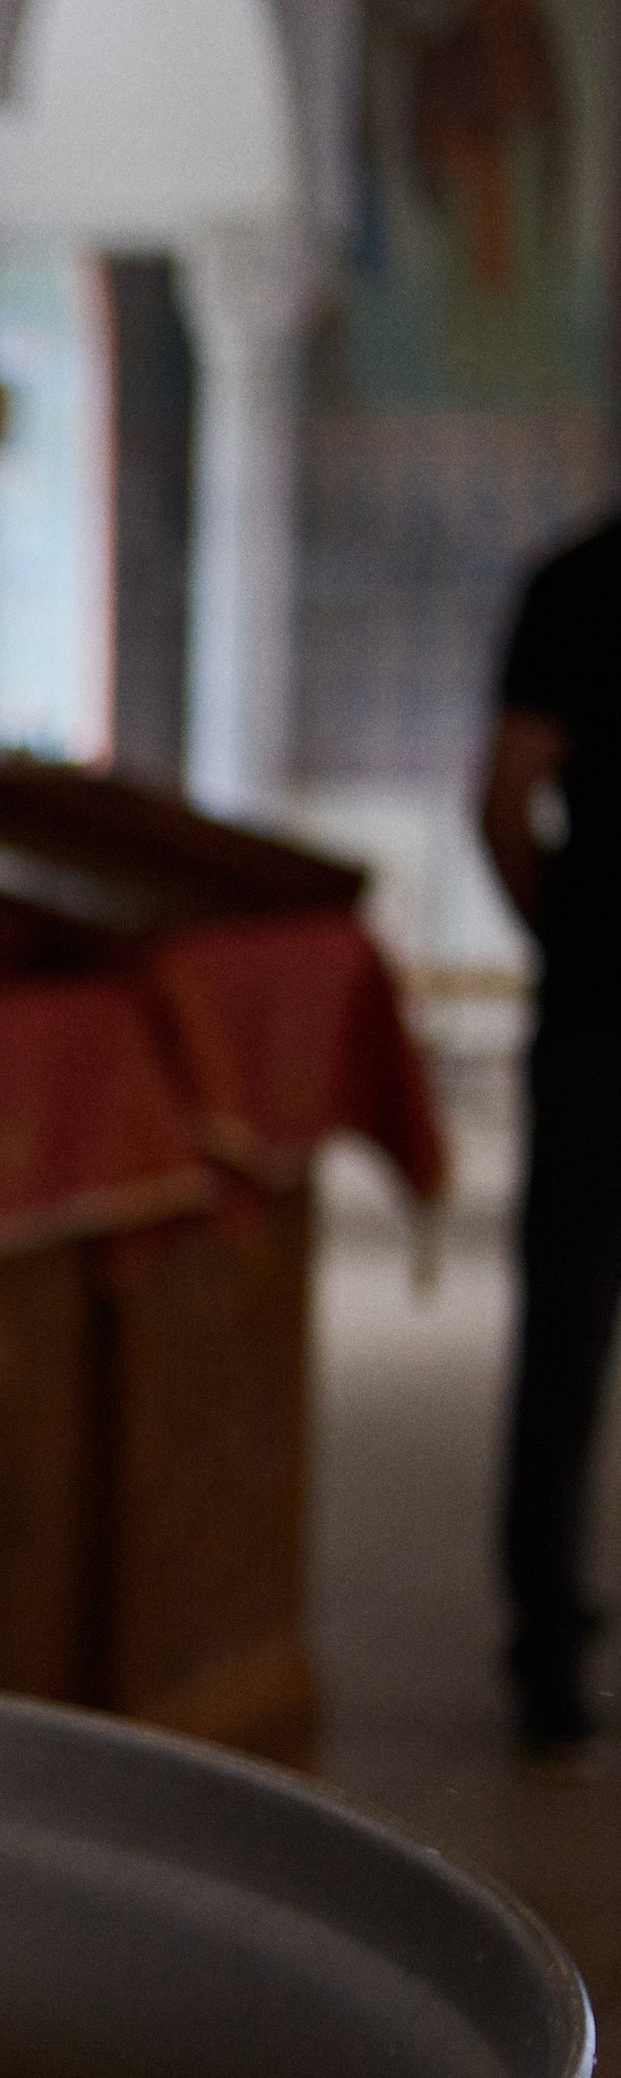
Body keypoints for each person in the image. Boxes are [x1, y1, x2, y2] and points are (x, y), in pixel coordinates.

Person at [479, 511, 621, 1764]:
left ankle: (545, 1655)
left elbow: (503, 803)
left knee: (564, 1335)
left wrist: (568, 936)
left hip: (595, 1013)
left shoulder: (577, 582)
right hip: (592, 1013)